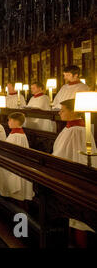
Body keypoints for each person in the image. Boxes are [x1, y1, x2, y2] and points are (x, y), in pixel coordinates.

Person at [52, 99, 96, 246]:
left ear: (73, 111)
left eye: (62, 110)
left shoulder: (77, 131)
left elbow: (72, 156)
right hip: (67, 176)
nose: (59, 112)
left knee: (78, 219)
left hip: (74, 180)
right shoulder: (70, 128)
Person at [0, 112, 34, 201]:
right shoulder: (17, 133)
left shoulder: (17, 136)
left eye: (10, 120)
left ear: (16, 122)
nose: (8, 122)